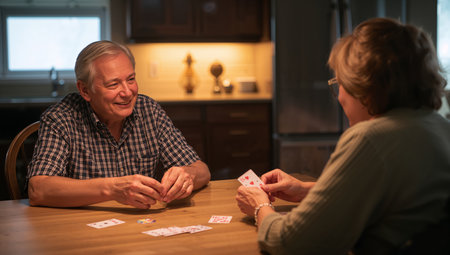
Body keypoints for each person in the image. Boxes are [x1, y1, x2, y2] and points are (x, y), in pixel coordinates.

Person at [236, 17, 450, 254]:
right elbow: (392, 197)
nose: (339, 97)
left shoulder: (370, 138)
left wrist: (260, 207)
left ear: (365, 87)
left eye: (340, 83)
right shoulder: (437, 125)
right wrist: (310, 191)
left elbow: (290, 243)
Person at [27, 40, 210, 209]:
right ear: (85, 90)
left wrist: (187, 175)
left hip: (139, 225)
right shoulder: (61, 118)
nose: (127, 92)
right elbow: (39, 189)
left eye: (130, 79)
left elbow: (202, 171)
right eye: (113, 84)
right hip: (81, 230)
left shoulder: (148, 110)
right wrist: (112, 189)